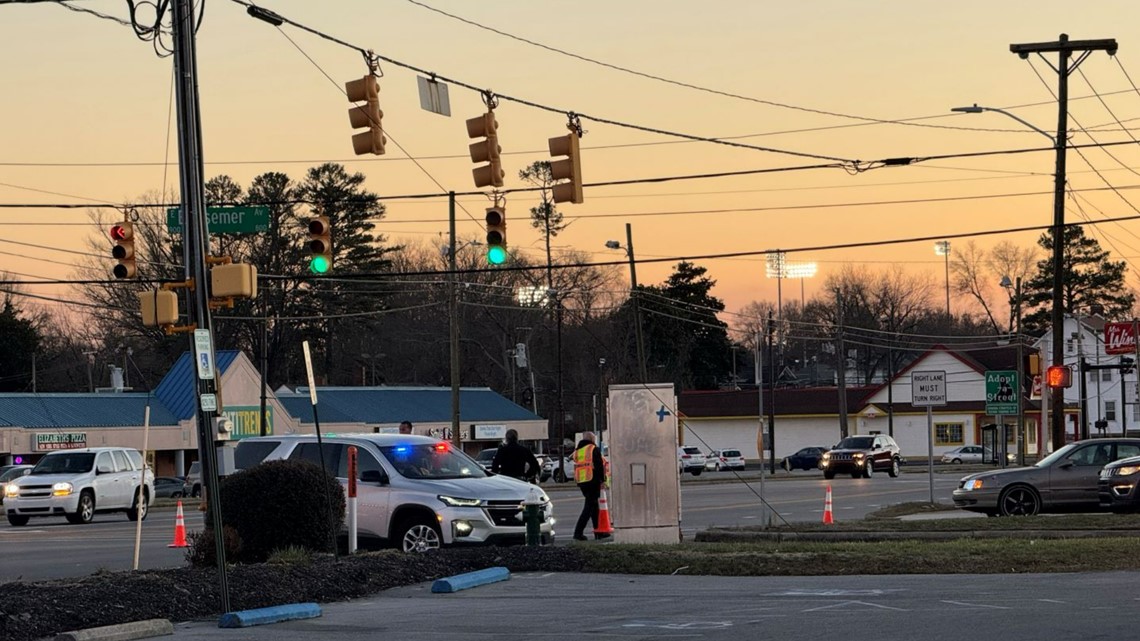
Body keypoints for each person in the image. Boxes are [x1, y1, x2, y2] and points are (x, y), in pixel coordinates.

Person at [572, 431, 608, 541]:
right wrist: (602, 479)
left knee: (593, 507)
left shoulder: (578, 451)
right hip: (592, 480)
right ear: (592, 440)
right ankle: (578, 533)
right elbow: (599, 466)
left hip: (582, 481)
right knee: (588, 508)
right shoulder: (593, 449)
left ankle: (599, 532)